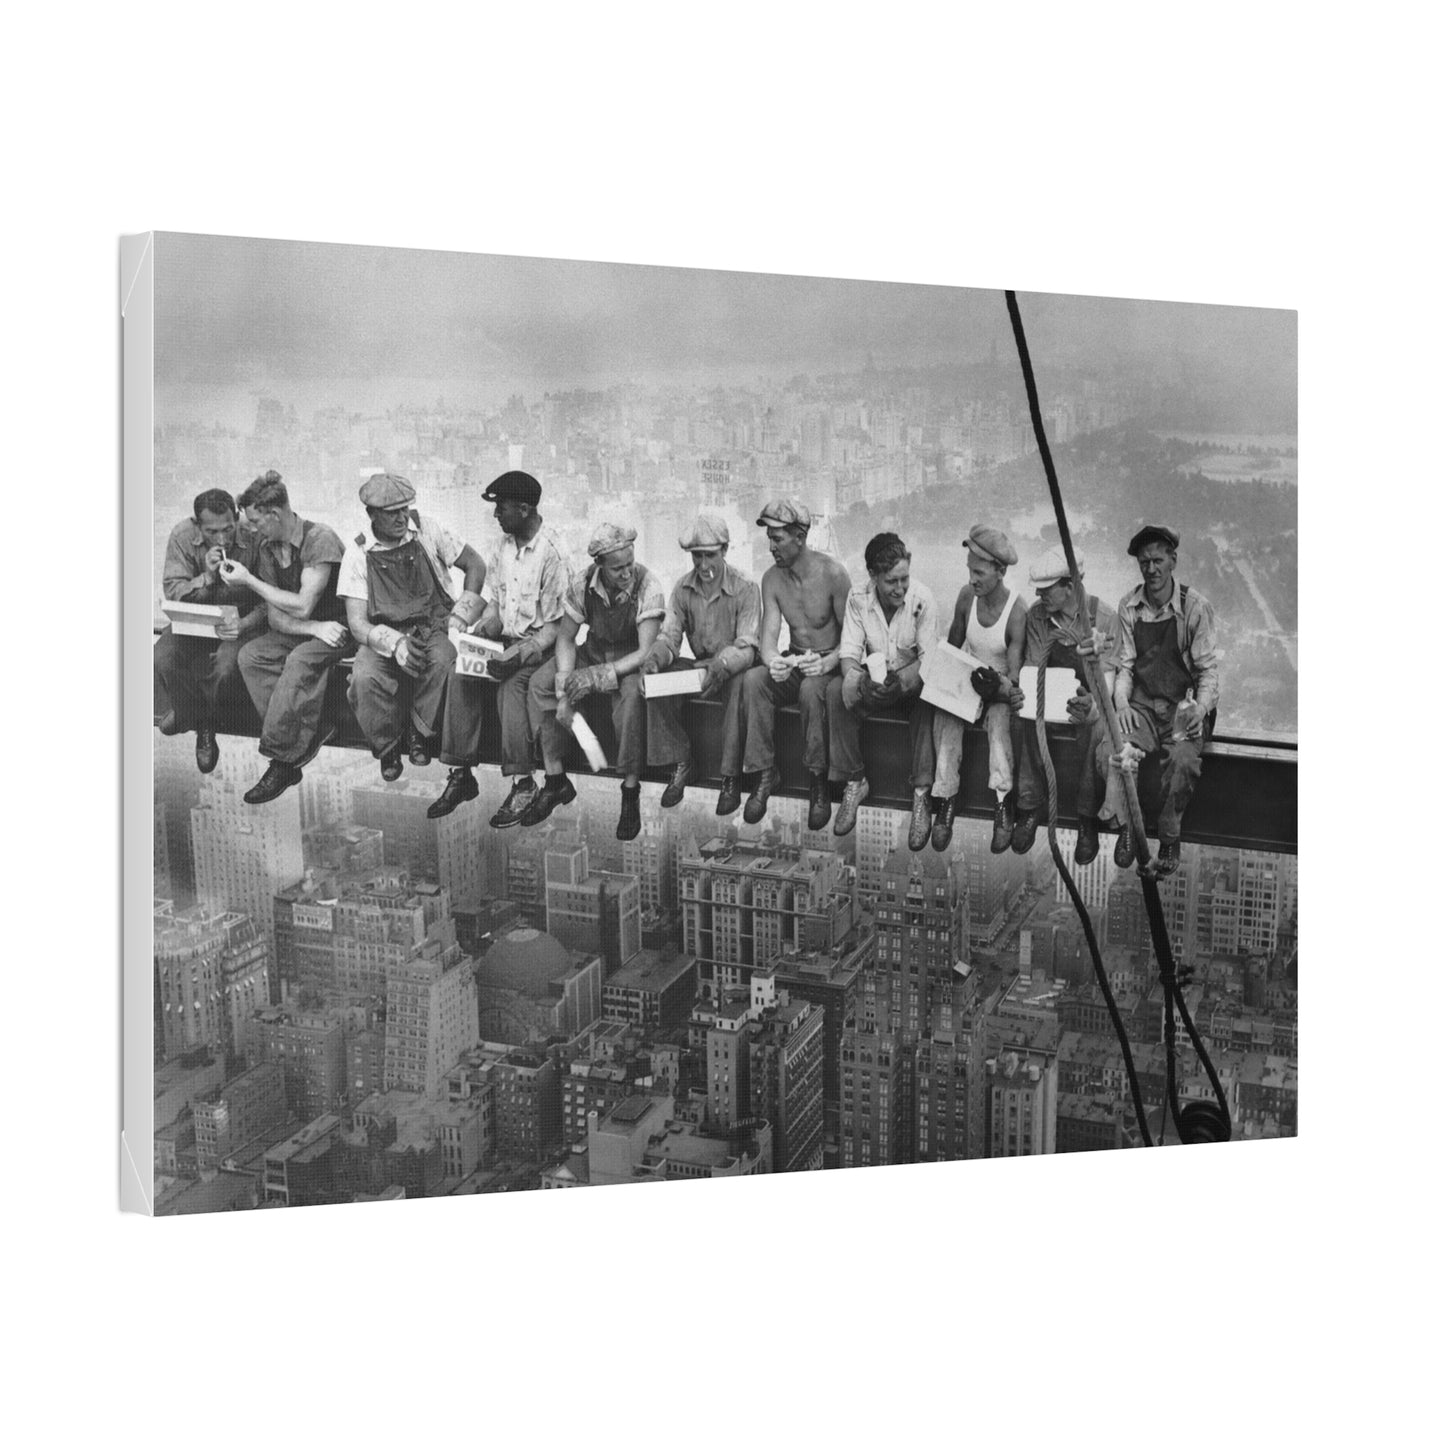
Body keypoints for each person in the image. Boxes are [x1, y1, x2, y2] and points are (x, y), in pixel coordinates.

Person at [427, 471, 570, 826]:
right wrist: (479, 631)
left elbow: (555, 626)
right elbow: (496, 603)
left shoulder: (553, 554)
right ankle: (461, 775)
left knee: (511, 688)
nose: (496, 516)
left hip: (538, 649)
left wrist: (520, 654)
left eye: (501, 508)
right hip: (505, 641)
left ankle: (523, 784)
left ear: (523, 509)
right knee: (462, 674)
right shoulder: (502, 547)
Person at [337, 472, 488, 781]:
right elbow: (356, 623)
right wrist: (394, 644)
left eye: (405, 509)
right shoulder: (358, 552)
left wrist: (460, 617)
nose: (402, 517)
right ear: (372, 514)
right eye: (392, 512)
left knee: (445, 661)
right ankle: (388, 745)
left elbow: (476, 565)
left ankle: (420, 732)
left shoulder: (427, 530)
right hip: (383, 631)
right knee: (364, 678)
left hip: (433, 625)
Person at [525, 522, 665, 840]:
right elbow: (565, 639)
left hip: (628, 663)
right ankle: (556, 778)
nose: (627, 573)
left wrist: (596, 677)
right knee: (540, 683)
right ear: (599, 565)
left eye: (630, 564)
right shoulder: (582, 583)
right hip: (593, 650)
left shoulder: (648, 585)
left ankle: (630, 790)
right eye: (617, 569)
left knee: (631, 700)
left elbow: (645, 652)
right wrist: (564, 690)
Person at [222, 470, 352, 804]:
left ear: (275, 514)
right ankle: (306, 733)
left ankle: (281, 760)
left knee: (298, 661)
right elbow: (278, 617)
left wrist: (250, 580)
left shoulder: (319, 539)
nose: (250, 528)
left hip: (340, 629)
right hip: (312, 630)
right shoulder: (268, 548)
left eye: (255, 520)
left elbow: (303, 603)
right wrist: (312, 629)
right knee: (251, 656)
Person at [1097, 523, 1219, 875]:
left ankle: (1168, 836)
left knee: (1182, 761)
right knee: (1120, 751)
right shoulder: (1129, 606)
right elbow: (1125, 665)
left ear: (1172, 561)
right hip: (1144, 705)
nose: (1150, 569)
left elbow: (1208, 671)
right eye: (1144, 562)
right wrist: (1121, 704)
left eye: (1157, 561)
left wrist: (1201, 708)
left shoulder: (1194, 607)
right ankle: (1126, 825)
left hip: (1184, 707)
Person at [739, 501, 852, 829]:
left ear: (800, 537)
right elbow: (769, 640)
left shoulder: (833, 574)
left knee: (811, 689)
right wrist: (775, 663)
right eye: (769, 538)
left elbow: (853, 639)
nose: (771, 546)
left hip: (828, 665)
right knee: (754, 680)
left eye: (778, 539)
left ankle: (817, 781)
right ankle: (765, 773)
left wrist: (829, 660)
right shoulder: (771, 579)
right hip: (796, 658)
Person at [640, 513, 761, 815]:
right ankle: (682, 761)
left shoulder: (745, 587)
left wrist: (721, 664)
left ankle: (730, 776)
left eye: (710, 556)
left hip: (731, 667)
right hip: (699, 667)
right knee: (658, 685)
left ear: (724, 551)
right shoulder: (683, 589)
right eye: (697, 557)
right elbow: (670, 637)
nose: (704, 565)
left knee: (737, 689)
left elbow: (748, 645)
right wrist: (654, 660)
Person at [1008, 548, 1118, 865]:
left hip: (1085, 702)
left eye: (1047, 589)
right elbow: (1032, 667)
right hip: (1049, 698)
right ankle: (1029, 806)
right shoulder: (1037, 616)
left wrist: (1092, 705)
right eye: (1038, 590)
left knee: (1095, 727)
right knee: (1023, 717)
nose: (1039, 595)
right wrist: (1025, 693)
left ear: (1070, 585)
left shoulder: (1103, 617)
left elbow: (1107, 678)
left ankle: (1086, 818)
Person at [828, 532, 939, 844]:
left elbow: (929, 660)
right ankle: (855, 780)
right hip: (875, 679)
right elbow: (849, 654)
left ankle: (921, 794)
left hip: (910, 682)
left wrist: (903, 683)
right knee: (837, 691)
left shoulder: (922, 600)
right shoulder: (858, 599)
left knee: (926, 702)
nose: (900, 588)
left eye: (904, 579)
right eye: (891, 581)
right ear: (873, 576)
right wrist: (861, 681)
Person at [931, 524, 1027, 853]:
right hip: (970, 679)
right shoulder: (965, 597)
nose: (972, 579)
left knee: (1000, 724)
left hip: (997, 688)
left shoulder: (1016, 612)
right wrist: (942, 681)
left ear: (1000, 572)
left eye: (980, 572)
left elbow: (1014, 679)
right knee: (946, 716)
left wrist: (998, 686)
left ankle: (1002, 804)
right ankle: (945, 799)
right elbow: (954, 648)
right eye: (970, 570)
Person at [154, 487, 264, 773]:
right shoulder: (182, 536)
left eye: (228, 529)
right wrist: (207, 577)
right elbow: (174, 591)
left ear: (236, 517)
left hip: (238, 621)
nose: (222, 538)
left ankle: (198, 722)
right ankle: (194, 716)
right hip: (194, 619)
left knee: (227, 668)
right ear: (197, 525)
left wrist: (244, 624)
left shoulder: (254, 535)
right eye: (212, 531)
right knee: (163, 658)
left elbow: (269, 596)